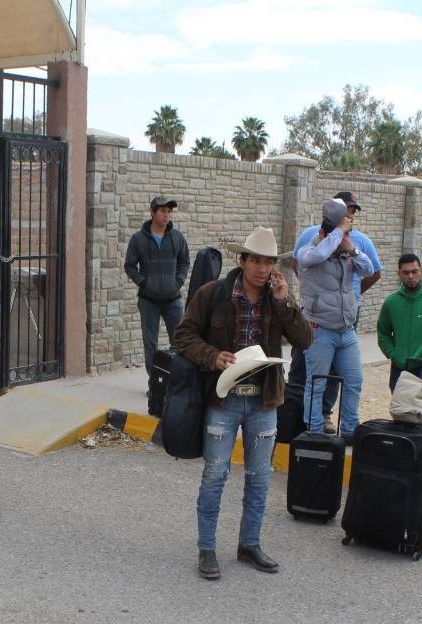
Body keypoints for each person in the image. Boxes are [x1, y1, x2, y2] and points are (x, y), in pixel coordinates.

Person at [175, 227, 313, 580]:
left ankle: (249, 544)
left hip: (264, 402)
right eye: (256, 260)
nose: (262, 269)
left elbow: (304, 340)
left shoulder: (277, 297)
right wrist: (212, 356)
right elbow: (184, 335)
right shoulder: (214, 294)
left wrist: (285, 301)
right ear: (243, 260)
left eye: (268, 262)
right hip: (224, 400)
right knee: (215, 476)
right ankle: (207, 548)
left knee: (259, 478)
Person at [289, 190, 382, 433]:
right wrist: (338, 231)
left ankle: (350, 431)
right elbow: (319, 253)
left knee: (353, 381)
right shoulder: (309, 251)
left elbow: (369, 269)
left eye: (346, 235)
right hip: (319, 330)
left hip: (346, 330)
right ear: (323, 234)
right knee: (316, 383)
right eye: (338, 235)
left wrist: (352, 248)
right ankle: (315, 431)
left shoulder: (346, 252)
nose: (341, 239)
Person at [124, 195, 190, 379]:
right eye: (163, 211)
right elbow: (129, 266)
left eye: (169, 212)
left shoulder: (177, 237)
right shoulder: (138, 239)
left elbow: (184, 261)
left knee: (179, 340)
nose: (167, 215)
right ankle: (155, 383)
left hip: (173, 299)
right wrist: (144, 282)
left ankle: (175, 381)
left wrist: (178, 281)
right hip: (148, 300)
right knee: (150, 343)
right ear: (153, 213)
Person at [377, 254, 422, 393]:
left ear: (421, 271)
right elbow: (383, 333)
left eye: (414, 271)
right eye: (405, 272)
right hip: (400, 363)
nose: (410, 276)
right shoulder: (391, 303)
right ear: (399, 274)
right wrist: (393, 353)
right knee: (401, 407)